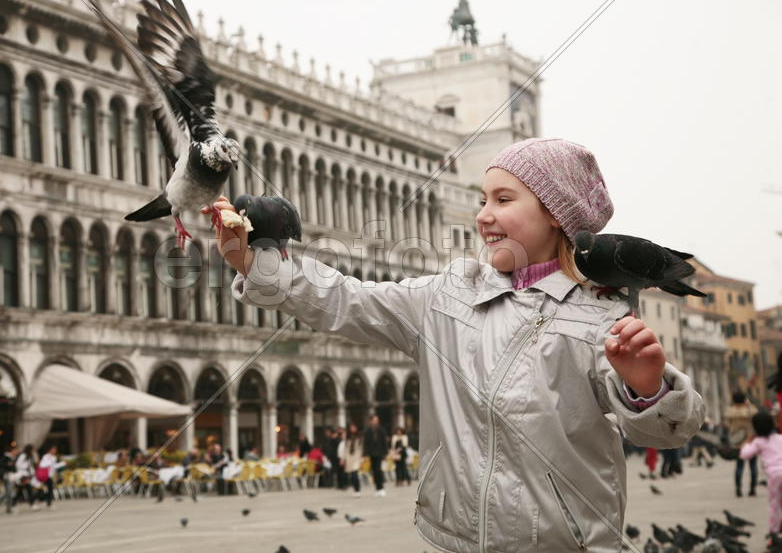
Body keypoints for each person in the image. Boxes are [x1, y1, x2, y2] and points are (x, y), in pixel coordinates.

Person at [211, 137, 705, 551]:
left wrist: (648, 386)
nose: (484, 216)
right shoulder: (446, 296)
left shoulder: (600, 317)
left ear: (556, 214)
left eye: (504, 200)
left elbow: (669, 433)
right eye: (482, 200)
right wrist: (255, 264)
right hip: (452, 541)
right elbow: (345, 299)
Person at [740, 411, 782, 533]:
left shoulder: (759, 441)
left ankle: (773, 533)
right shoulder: (780, 438)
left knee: (774, 505)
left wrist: (749, 442)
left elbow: (745, 455)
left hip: (774, 476)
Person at [725, 391, 759, 497]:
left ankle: (738, 489)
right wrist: (748, 405)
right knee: (753, 466)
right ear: (744, 399)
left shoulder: (730, 411)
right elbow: (756, 415)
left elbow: (728, 424)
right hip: (750, 441)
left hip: (737, 443)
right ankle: (752, 489)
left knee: (739, 466)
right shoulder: (750, 410)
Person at [363, 415, 388, 496]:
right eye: (374, 420)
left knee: (378, 470)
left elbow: (384, 442)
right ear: (371, 421)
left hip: (379, 453)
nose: (375, 421)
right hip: (371, 453)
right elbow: (365, 443)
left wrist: (385, 453)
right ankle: (377, 488)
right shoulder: (367, 431)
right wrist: (365, 453)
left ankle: (381, 488)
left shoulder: (381, 430)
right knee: (374, 471)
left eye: (377, 420)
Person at [338, 423, 364, 497]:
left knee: (355, 474)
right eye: (351, 427)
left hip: (356, 457)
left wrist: (362, 458)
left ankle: (358, 489)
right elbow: (345, 450)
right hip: (349, 458)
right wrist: (343, 459)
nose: (352, 429)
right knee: (352, 475)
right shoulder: (347, 438)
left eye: (354, 427)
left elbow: (361, 449)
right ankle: (355, 489)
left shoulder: (359, 437)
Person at [0, 445, 18, 513]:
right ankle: (8, 509)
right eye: (15, 450)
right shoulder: (6, 456)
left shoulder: (13, 457)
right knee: (10, 492)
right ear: (12, 451)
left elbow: (13, 468)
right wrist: (7, 464)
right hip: (6, 476)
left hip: (10, 476)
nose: (16, 452)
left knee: (8, 493)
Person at [13, 444, 39, 510]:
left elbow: (31, 467)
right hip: (22, 475)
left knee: (21, 490)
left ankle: (13, 503)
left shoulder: (29, 456)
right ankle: (31, 504)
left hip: (26, 475)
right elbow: (17, 464)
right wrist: (25, 466)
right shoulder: (23, 455)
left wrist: (32, 473)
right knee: (28, 489)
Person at [37, 445, 60, 510]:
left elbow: (54, 466)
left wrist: (62, 464)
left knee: (49, 490)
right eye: (53, 449)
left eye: (55, 450)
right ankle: (40, 500)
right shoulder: (46, 456)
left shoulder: (54, 457)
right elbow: (42, 465)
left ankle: (47, 503)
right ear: (50, 450)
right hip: (45, 476)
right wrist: (49, 463)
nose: (54, 451)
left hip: (50, 475)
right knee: (46, 490)